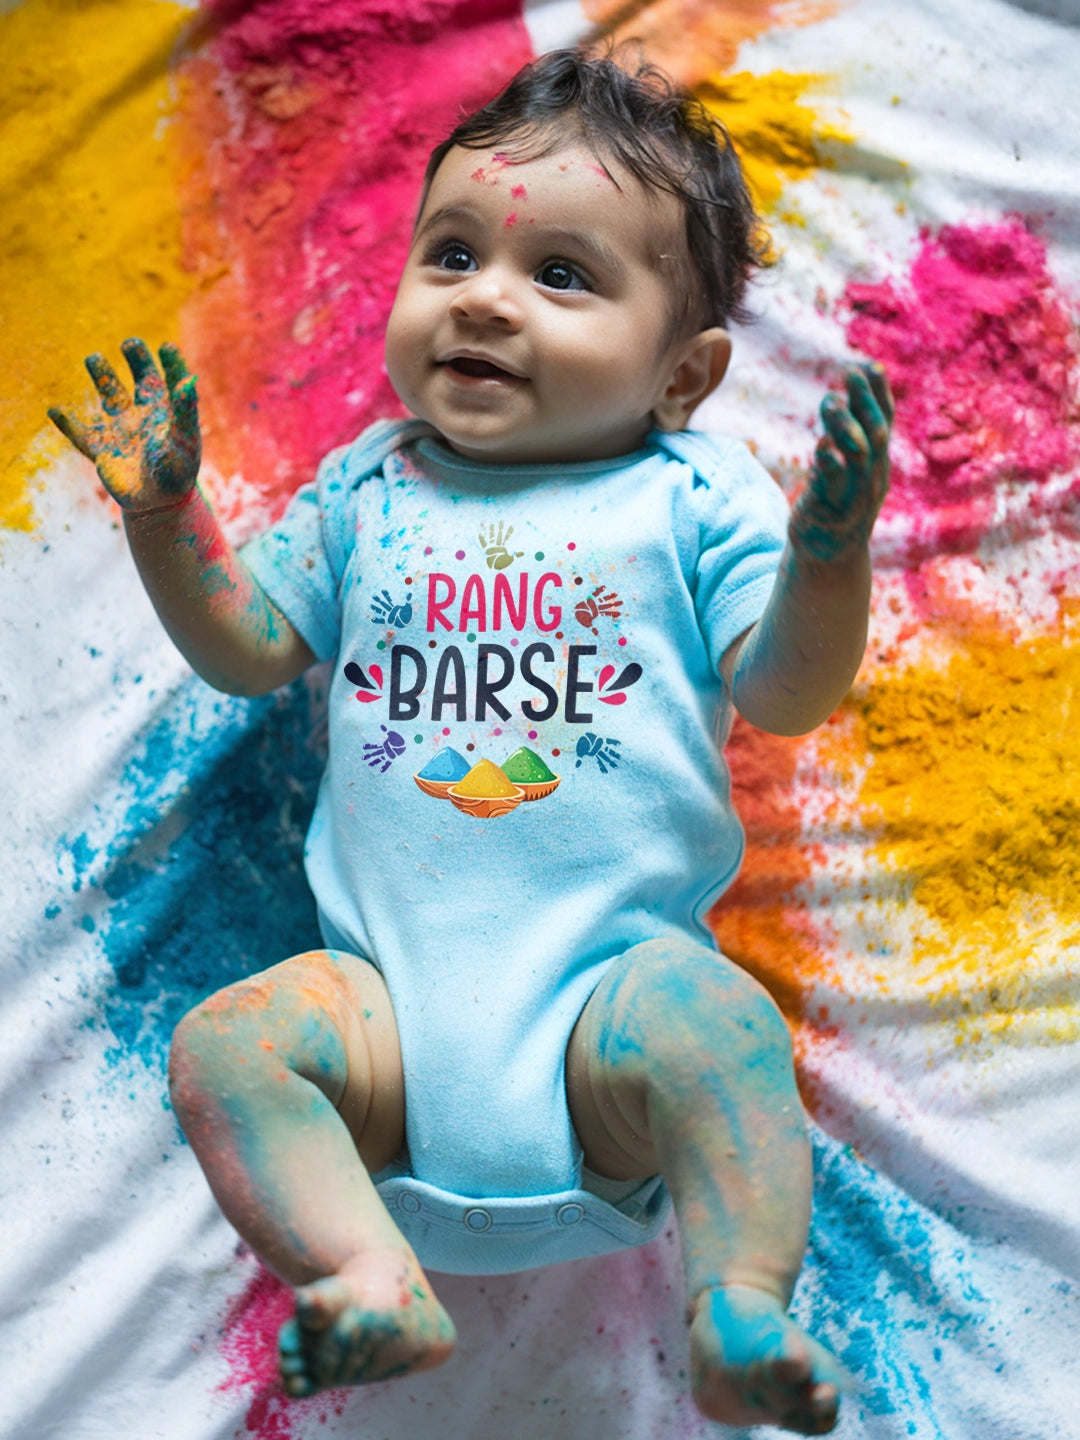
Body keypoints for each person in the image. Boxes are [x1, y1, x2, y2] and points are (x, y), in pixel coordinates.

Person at [49, 48, 891, 1437]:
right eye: (451, 254)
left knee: (724, 1028)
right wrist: (166, 519)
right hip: (380, 1044)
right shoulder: (370, 487)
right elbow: (251, 646)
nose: (485, 298)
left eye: (561, 274)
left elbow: (788, 692)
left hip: (605, 1033)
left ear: (683, 374)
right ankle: (368, 1274)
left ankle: (739, 1301)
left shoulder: (692, 497)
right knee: (225, 1049)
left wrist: (827, 559)